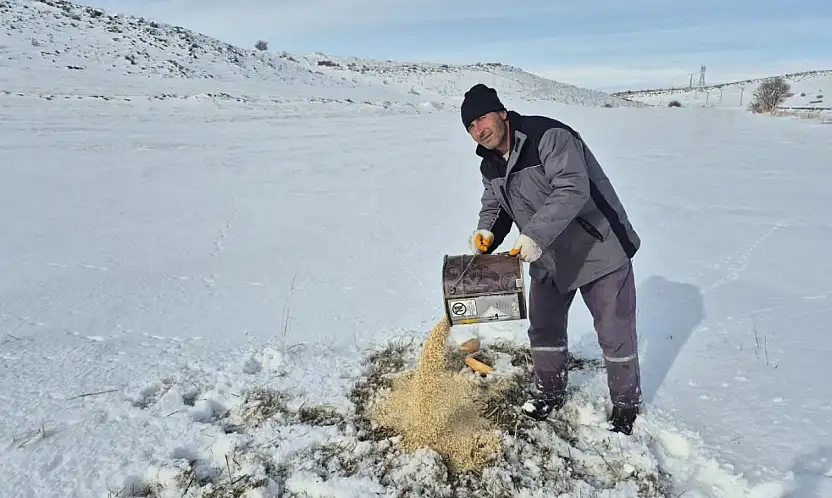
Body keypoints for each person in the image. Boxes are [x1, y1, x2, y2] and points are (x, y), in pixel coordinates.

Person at [462, 83, 642, 435]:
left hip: (597, 246)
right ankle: (550, 391)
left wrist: (534, 235)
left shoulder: (548, 136)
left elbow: (573, 187)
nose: (478, 130)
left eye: (482, 118)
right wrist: (487, 232)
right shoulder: (490, 165)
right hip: (545, 252)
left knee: (614, 331)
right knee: (543, 327)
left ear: (502, 113)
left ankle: (625, 403)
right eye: (469, 126)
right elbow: (496, 205)